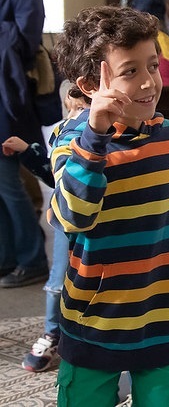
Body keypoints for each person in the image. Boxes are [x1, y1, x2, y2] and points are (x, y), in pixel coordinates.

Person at [48, 6, 169, 405]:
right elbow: (71, 216)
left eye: (152, 66)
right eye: (130, 71)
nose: (149, 82)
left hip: (163, 308)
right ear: (89, 85)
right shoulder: (71, 142)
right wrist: (96, 137)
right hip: (96, 315)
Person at [3, 92, 86, 372]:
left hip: (103, 225)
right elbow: (50, 172)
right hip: (65, 223)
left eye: (82, 108)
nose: (76, 115)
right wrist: (27, 150)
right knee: (58, 283)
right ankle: (53, 334)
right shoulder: (64, 134)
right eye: (71, 109)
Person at [0, 0, 49, 289]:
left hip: (9, 98)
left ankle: (32, 258)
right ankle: (7, 257)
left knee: (8, 183)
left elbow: (26, 42)